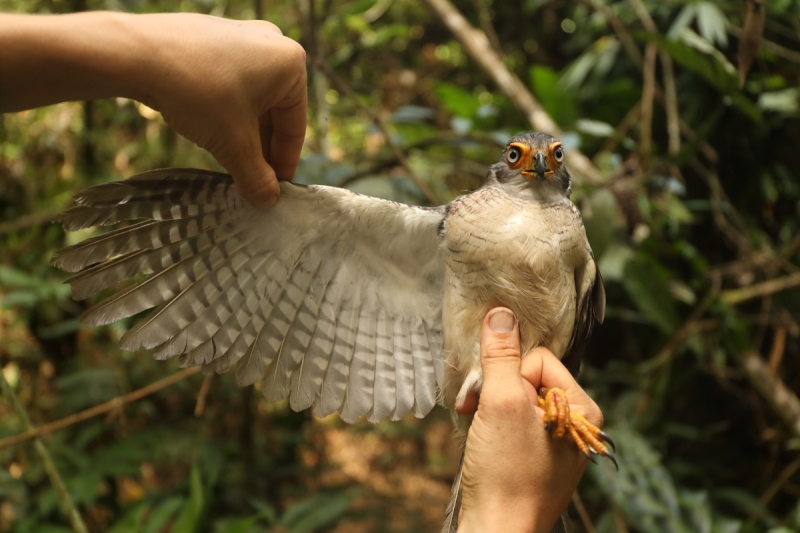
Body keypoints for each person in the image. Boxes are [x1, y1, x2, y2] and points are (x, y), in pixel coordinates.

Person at [0, 12, 603, 532]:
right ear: (502, 167)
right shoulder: (448, 232)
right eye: (520, 158)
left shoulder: (572, 237)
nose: (536, 168)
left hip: (538, 402)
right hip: (482, 401)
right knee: (284, 211)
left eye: (549, 160)